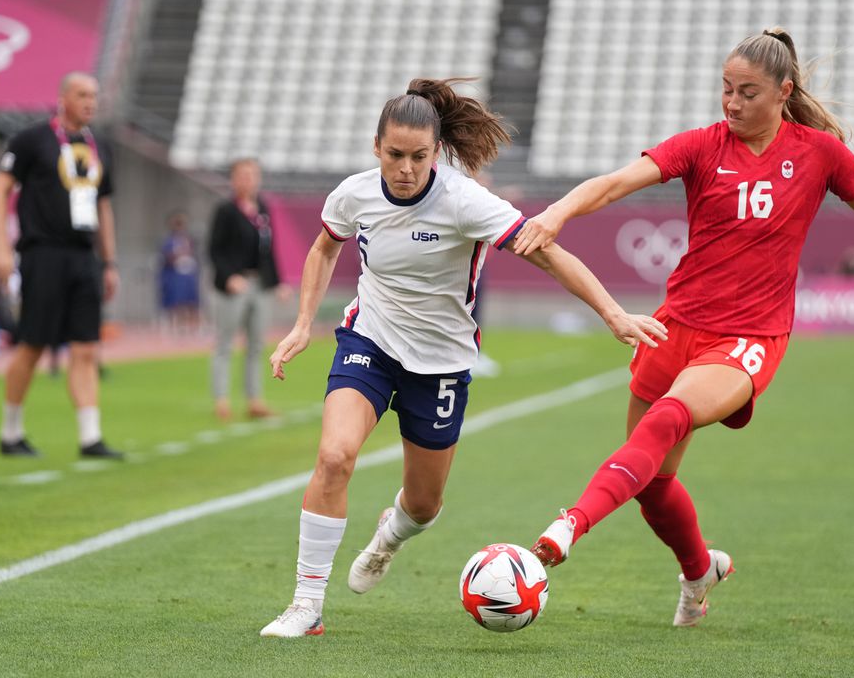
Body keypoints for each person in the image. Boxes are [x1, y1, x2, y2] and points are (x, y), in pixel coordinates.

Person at [512, 28, 854, 628]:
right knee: (653, 483)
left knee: (667, 418)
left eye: (747, 92)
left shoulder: (819, 153)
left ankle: (569, 525)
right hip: (676, 326)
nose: (732, 102)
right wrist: (557, 212)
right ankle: (700, 572)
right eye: (726, 89)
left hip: (751, 336)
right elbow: (614, 183)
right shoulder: (702, 146)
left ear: (784, 92)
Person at [258, 78, 668, 638]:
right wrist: (304, 324)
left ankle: (390, 535)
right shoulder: (353, 194)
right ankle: (306, 605)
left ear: (436, 151)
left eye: (419, 156)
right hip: (369, 342)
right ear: (376, 147)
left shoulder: (463, 200)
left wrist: (613, 313)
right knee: (334, 457)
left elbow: (547, 253)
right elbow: (324, 246)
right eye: (395, 155)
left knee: (424, 505)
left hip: (441, 365)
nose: (406, 168)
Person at [0, 71, 123, 459]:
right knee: (33, 344)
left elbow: (103, 205)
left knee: (86, 347)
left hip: (84, 256)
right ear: (63, 99)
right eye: (82, 94)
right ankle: (10, 433)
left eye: (94, 95)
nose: (89, 102)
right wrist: (2, 248)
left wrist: (109, 262)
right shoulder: (32, 140)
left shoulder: (100, 146)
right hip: (42, 253)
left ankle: (90, 437)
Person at [207, 158, 288, 421]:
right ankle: (221, 399)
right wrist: (229, 277)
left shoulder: (262, 209)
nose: (248, 180)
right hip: (235, 286)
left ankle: (254, 399)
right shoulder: (226, 210)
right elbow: (214, 250)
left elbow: (268, 250)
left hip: (259, 284)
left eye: (253, 174)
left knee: (256, 345)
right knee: (225, 343)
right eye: (243, 175)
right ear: (233, 179)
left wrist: (278, 282)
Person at [158, 211, 200, 335]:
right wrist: (178, 255)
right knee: (175, 302)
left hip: (188, 275)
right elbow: (166, 257)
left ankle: (192, 328)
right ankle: (176, 327)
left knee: (191, 302)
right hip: (175, 276)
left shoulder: (188, 240)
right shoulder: (168, 241)